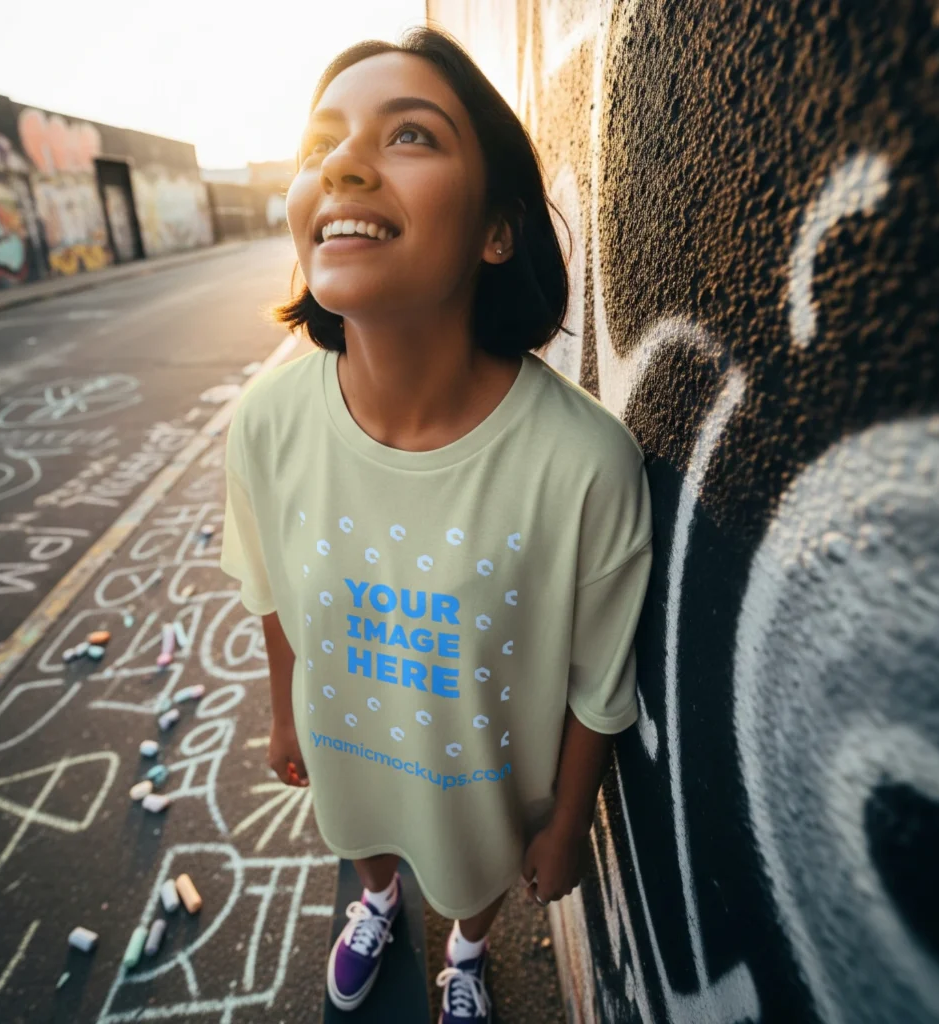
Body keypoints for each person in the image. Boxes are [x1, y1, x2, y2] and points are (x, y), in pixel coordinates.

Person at [219, 25, 652, 1024]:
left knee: (467, 881)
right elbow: (272, 590)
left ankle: (463, 952)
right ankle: (374, 904)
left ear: (497, 229)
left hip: (483, 797)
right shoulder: (268, 421)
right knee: (368, 841)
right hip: (347, 751)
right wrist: (285, 713)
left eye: (408, 135)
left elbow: (597, 686)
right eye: (319, 143)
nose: (342, 165)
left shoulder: (583, 463)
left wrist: (567, 822)